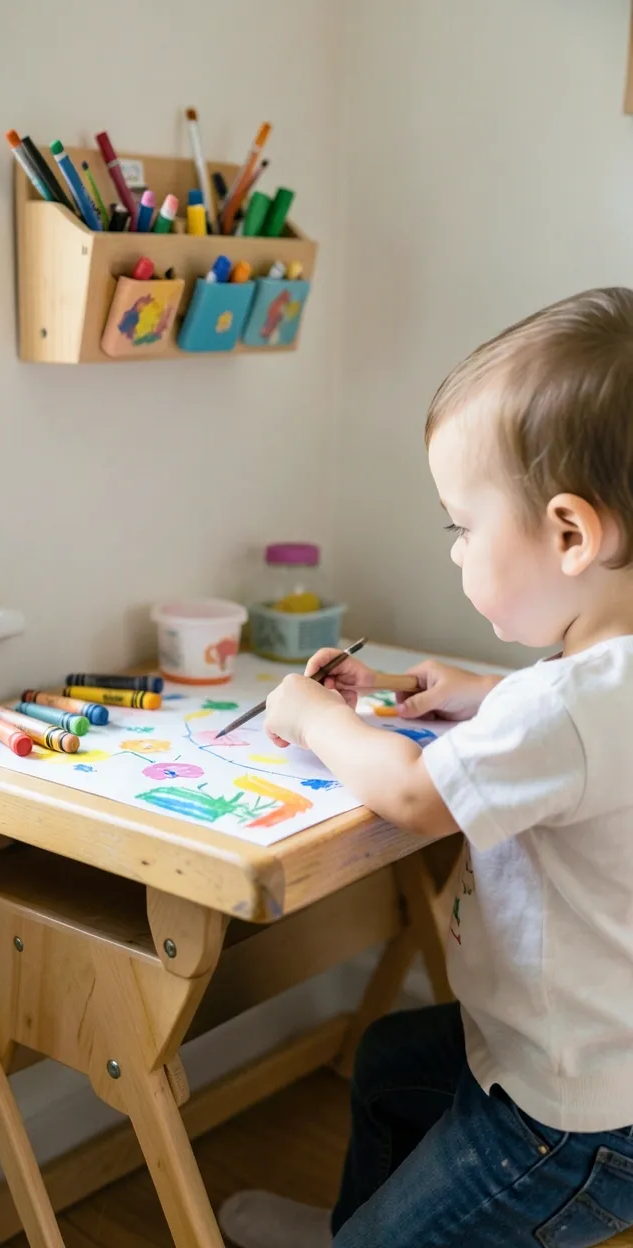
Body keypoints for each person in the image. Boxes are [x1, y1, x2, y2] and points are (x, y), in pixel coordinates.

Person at [220, 289, 633, 1247]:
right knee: (390, 1066)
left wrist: (310, 712)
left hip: (565, 1123)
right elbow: (582, 733)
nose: (453, 554)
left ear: (571, 534)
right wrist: (475, 689)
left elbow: (410, 795)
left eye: (462, 527)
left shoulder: (564, 707)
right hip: (587, 1063)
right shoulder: (594, 680)